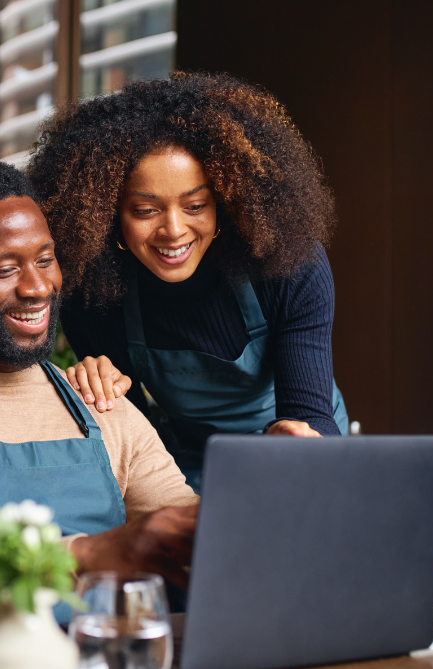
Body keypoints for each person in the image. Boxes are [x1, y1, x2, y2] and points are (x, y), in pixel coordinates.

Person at [0, 157, 433, 630]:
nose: (38, 288)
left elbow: (217, 543)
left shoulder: (100, 403)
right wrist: (96, 554)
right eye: (5, 270)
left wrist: (398, 568)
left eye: (44, 260)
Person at [28, 72, 346, 490]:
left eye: (196, 204)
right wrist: (98, 389)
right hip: (189, 464)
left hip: (297, 453)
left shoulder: (288, 265)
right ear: (107, 216)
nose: (174, 230)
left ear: (226, 202)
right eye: (145, 210)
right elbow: (133, 439)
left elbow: (310, 412)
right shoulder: (94, 293)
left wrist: (298, 439)